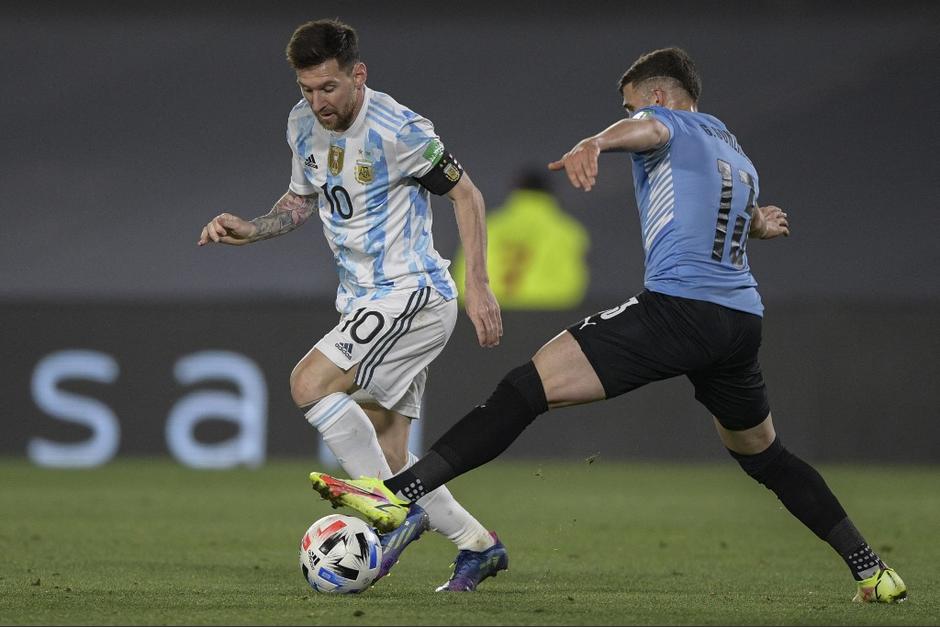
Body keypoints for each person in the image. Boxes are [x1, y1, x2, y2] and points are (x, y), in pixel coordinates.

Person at [308, 47, 907, 603]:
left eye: (630, 105)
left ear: (660, 96)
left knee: (524, 388)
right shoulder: (732, 149)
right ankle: (873, 571)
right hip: (739, 321)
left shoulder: (668, 123)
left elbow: (648, 129)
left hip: (679, 309)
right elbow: (722, 212)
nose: (629, 116)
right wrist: (758, 224)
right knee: (766, 457)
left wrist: (596, 141)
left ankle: (398, 495)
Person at [198, 18, 509, 592]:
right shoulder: (301, 124)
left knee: (309, 383)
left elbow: (467, 195)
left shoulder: (400, 130)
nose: (318, 102)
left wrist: (481, 285)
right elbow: (301, 200)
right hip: (364, 301)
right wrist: (254, 228)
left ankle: (389, 508)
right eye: (307, 89)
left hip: (411, 293)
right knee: (392, 454)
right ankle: (478, 546)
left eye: (329, 87)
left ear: (358, 75)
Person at [451, 167, 590, 309]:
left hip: (491, 312)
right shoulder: (567, 231)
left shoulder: (490, 226)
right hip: (547, 312)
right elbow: (572, 284)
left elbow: (467, 274)